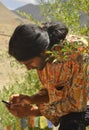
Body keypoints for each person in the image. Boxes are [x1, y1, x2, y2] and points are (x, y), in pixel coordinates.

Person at [6, 21, 89, 130]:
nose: (28, 68)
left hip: (83, 104)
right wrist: (30, 100)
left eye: (29, 63)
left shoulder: (76, 51)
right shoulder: (42, 60)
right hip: (74, 108)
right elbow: (53, 93)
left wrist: (34, 111)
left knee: (71, 124)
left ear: (42, 51)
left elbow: (76, 106)